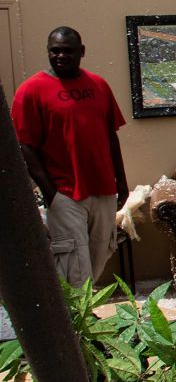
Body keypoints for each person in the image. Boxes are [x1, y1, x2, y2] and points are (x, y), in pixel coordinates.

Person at [11, 26, 128, 284]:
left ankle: (83, 313)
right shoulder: (31, 91)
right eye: (55, 51)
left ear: (82, 52)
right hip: (65, 193)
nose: (60, 56)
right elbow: (25, 146)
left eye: (67, 51)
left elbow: (111, 136)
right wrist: (50, 192)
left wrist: (121, 181)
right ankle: (76, 322)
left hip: (103, 189)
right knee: (74, 265)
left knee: (100, 253)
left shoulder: (98, 85)